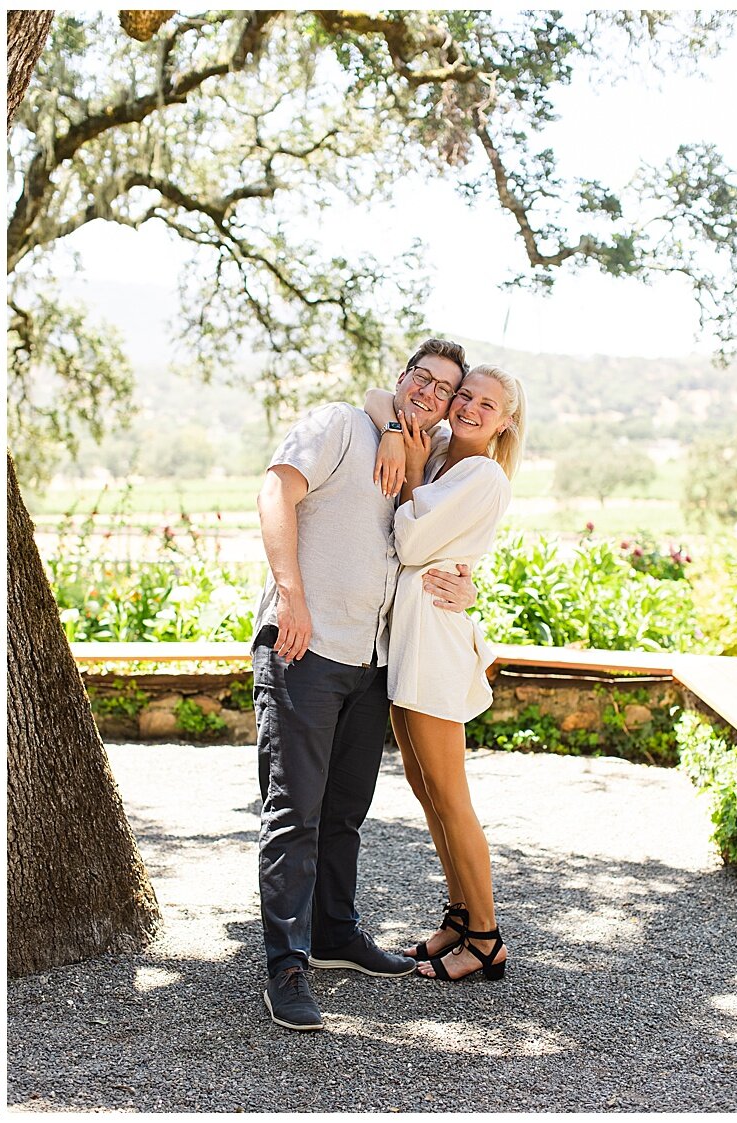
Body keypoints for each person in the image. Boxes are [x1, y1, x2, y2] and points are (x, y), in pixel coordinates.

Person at [253, 338, 477, 1032]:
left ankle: (333, 935)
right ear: (402, 377)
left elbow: (439, 543)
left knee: (346, 809)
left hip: (371, 660)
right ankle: (285, 965)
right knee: (294, 813)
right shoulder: (339, 426)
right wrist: (289, 591)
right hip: (306, 646)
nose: (430, 393)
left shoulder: (426, 464)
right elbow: (275, 489)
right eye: (423, 378)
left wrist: (468, 584)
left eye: (445, 389)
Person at [363, 363, 525, 983]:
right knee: (423, 786)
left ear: (505, 421)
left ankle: (486, 937)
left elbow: (410, 541)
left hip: (434, 633)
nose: (471, 407)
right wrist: (388, 437)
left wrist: (403, 481)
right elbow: (382, 396)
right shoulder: (435, 454)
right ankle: (457, 917)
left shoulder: (483, 475)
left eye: (489, 403)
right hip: (409, 632)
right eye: (466, 395)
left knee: (450, 794)